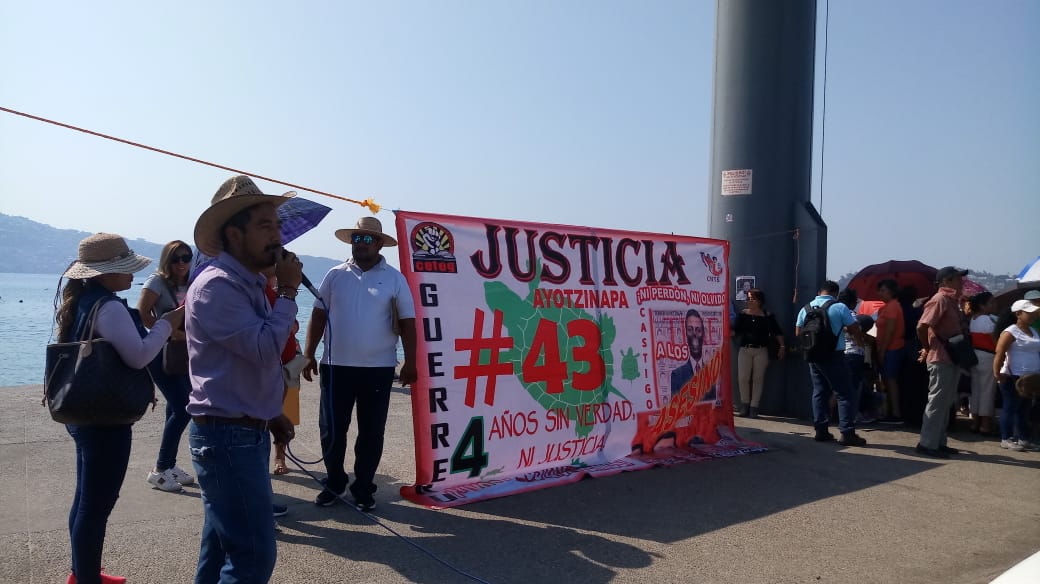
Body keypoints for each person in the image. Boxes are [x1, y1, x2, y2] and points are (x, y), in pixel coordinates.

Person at [185, 175, 300, 582]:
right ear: (234, 234)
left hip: (237, 431)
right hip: (226, 437)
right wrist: (287, 293)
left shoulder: (247, 282)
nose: (278, 236)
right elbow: (265, 349)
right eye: (266, 226)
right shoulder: (217, 287)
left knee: (219, 549)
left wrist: (271, 413)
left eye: (278, 226)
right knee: (252, 556)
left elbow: (249, 365)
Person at [54, 233, 183, 584]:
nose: (131, 275)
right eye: (124, 268)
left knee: (85, 499)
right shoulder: (108, 307)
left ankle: (82, 572)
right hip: (104, 419)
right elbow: (139, 355)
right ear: (103, 273)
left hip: (83, 412)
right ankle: (86, 579)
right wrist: (165, 325)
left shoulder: (84, 301)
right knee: (95, 507)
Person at [302, 217, 417, 511]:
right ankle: (334, 482)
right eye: (356, 238)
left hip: (378, 369)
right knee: (331, 429)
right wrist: (309, 352)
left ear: (379, 244)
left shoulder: (394, 278)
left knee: (371, 431)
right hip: (335, 365)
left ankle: (364, 488)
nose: (360, 243)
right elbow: (317, 315)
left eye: (367, 239)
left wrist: (410, 362)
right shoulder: (334, 275)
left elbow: (407, 322)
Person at [137, 240, 196, 492]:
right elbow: (142, 313)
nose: (182, 263)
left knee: (175, 407)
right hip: (160, 353)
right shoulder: (157, 281)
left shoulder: (192, 281)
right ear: (167, 260)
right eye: (176, 258)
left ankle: (169, 465)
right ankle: (160, 469)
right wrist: (169, 333)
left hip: (184, 354)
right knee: (185, 408)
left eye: (186, 257)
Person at [795, 281, 866, 446]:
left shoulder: (805, 308)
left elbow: (798, 332)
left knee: (819, 391)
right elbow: (854, 328)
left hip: (812, 355)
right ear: (835, 293)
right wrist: (858, 341)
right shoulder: (839, 307)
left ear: (819, 291)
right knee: (845, 393)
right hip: (834, 355)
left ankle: (821, 430)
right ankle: (847, 433)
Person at [914, 266, 969, 458]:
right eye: (957, 279)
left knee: (945, 402)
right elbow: (922, 326)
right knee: (938, 401)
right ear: (946, 281)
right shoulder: (940, 299)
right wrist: (927, 347)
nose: (961, 282)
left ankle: (938, 442)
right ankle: (927, 443)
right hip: (941, 356)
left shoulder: (952, 301)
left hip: (949, 356)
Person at [261, 265, 304, 475]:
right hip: (266, 365)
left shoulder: (283, 290)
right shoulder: (256, 290)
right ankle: (262, 461)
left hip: (289, 363)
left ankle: (280, 456)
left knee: (287, 413)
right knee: (263, 417)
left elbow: (294, 325)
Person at [992, 299, 1040, 451]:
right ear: (1018, 314)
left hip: (1031, 378)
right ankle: (1006, 438)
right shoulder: (1010, 331)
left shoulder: (1033, 331)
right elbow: (999, 353)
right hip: (1013, 376)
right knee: (1010, 407)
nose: (1033, 315)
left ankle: (1023, 438)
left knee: (1024, 409)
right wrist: (997, 373)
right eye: (1029, 312)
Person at [730, 288, 784, 417]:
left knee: (758, 379)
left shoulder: (767, 316)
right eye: (748, 299)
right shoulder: (743, 315)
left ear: (759, 301)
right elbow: (735, 331)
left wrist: (782, 346)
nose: (749, 301)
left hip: (761, 350)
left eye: (752, 299)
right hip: (744, 349)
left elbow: (778, 332)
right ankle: (744, 405)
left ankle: (754, 407)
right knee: (743, 378)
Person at [874, 279, 905, 424]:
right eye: (879, 290)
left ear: (892, 292)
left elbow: (890, 330)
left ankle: (896, 413)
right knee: (886, 381)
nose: (880, 293)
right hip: (887, 348)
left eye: (883, 290)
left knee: (891, 381)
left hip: (892, 348)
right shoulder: (885, 307)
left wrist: (882, 350)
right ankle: (890, 411)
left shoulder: (893, 306)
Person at [670, 308, 718, 402]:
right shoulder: (677, 375)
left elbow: (712, 407)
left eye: (698, 330)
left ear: (703, 334)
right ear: (685, 334)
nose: (694, 335)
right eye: (690, 330)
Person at [967, 292, 998, 434]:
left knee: (976, 389)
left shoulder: (973, 319)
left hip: (975, 355)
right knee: (987, 390)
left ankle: (975, 421)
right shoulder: (987, 320)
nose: (994, 305)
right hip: (988, 356)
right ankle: (985, 424)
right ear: (982, 305)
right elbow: (994, 340)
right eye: (991, 303)